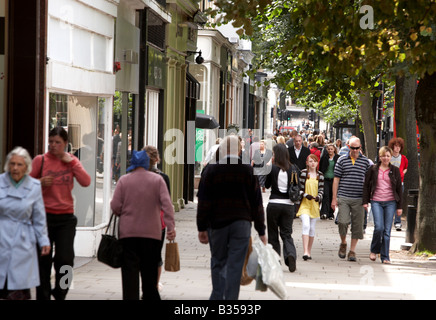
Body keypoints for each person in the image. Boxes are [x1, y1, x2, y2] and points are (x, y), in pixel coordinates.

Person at [197, 135, 267, 300]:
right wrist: (261, 230)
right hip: (241, 223)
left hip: (217, 223)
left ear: (222, 150)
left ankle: (217, 296)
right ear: (239, 150)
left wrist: (201, 227)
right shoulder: (248, 170)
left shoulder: (211, 170)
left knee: (218, 261)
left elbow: (204, 201)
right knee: (235, 265)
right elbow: (257, 203)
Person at [30, 127, 91, 300]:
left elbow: (86, 181)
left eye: (57, 142)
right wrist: (39, 182)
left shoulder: (71, 160)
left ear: (65, 143)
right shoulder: (40, 161)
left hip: (66, 218)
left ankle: (61, 292)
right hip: (44, 218)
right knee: (43, 261)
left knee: (66, 261)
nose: (53, 145)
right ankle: (43, 296)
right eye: (50, 142)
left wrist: (71, 162)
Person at [111, 149, 176, 300]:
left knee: (130, 273)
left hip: (128, 234)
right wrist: (171, 227)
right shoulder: (157, 180)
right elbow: (167, 206)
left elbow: (115, 206)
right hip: (151, 234)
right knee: (149, 273)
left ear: (132, 164)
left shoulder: (124, 180)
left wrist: (125, 212)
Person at [0, 147, 51, 300]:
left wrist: (43, 240)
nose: (15, 168)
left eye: (19, 165)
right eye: (12, 164)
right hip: (2, 235)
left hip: (23, 240)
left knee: (19, 286)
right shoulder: (0, 182)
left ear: (27, 167)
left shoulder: (34, 186)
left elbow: (39, 216)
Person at [331, 137, 371, 262]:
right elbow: (336, 179)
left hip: (359, 198)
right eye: (352, 148)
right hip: (343, 196)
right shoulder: (342, 160)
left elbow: (369, 182)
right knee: (342, 222)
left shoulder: (365, 162)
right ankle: (343, 243)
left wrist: (367, 200)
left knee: (358, 226)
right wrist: (334, 198)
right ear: (348, 147)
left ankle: (352, 251)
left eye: (357, 148)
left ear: (360, 148)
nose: (355, 150)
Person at [363, 146, 402, 264]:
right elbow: (366, 186)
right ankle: (374, 250)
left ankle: (385, 256)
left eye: (388, 156)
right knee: (379, 227)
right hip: (376, 201)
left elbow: (399, 189)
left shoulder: (395, 170)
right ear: (380, 157)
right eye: (383, 156)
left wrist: (399, 207)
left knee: (387, 230)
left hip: (390, 202)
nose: (385, 158)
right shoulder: (373, 169)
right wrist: (365, 202)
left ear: (391, 157)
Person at [264, 144, 299, 272]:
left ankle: (275, 260)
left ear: (276, 155)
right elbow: (297, 186)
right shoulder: (293, 168)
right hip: (288, 205)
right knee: (286, 234)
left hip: (274, 204)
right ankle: (290, 254)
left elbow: (267, 185)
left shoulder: (272, 168)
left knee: (273, 234)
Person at [143, 145, 170, 292]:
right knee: (156, 255)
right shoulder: (163, 178)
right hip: (158, 222)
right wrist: (171, 225)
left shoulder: (135, 176)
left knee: (141, 255)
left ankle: (144, 285)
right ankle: (154, 285)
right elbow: (167, 203)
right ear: (157, 159)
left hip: (138, 222)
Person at [296, 154, 324, 260]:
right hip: (304, 204)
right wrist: (305, 195)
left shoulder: (320, 175)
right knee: (306, 225)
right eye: (310, 161)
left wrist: (319, 197)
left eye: (314, 161)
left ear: (317, 163)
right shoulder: (303, 173)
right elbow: (299, 188)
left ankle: (309, 250)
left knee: (312, 228)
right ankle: (305, 251)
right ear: (307, 163)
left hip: (315, 205)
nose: (313, 163)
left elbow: (322, 190)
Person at [388, 137, 408, 231]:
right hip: (389, 182)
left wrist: (403, 173)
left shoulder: (403, 158)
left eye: (399, 147)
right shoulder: (389, 157)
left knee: (398, 202)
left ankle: (397, 222)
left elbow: (406, 167)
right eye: (395, 146)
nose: (397, 148)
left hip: (400, 183)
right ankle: (388, 221)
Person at [319, 144, 340, 220]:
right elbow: (321, 168)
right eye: (329, 149)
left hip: (334, 180)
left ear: (334, 149)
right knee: (326, 195)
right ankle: (324, 212)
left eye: (331, 149)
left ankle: (331, 214)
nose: (330, 151)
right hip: (325, 179)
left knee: (332, 195)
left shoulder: (338, 158)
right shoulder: (324, 158)